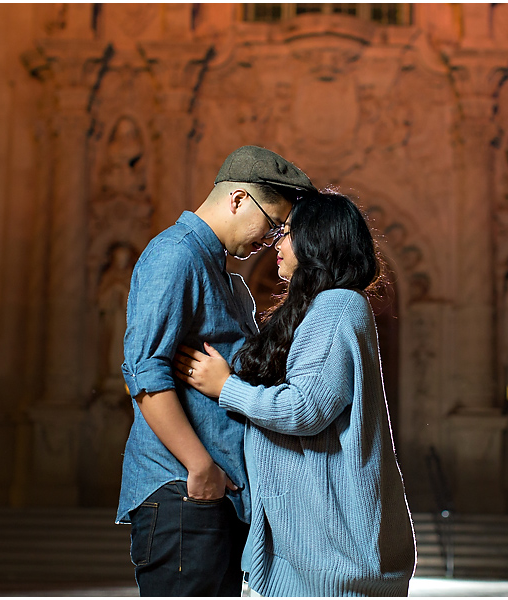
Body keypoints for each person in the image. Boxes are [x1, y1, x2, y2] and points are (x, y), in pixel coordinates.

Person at [174, 191, 417, 596]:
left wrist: (225, 388)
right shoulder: (325, 306)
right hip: (313, 553)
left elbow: (305, 407)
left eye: (287, 233)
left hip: (333, 560)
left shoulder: (338, 306)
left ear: (316, 240)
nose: (277, 245)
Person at [116, 146, 316, 596]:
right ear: (239, 199)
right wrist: (199, 464)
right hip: (184, 491)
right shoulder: (175, 254)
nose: (270, 241)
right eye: (272, 224)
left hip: (217, 495)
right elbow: (145, 373)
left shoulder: (228, 279)